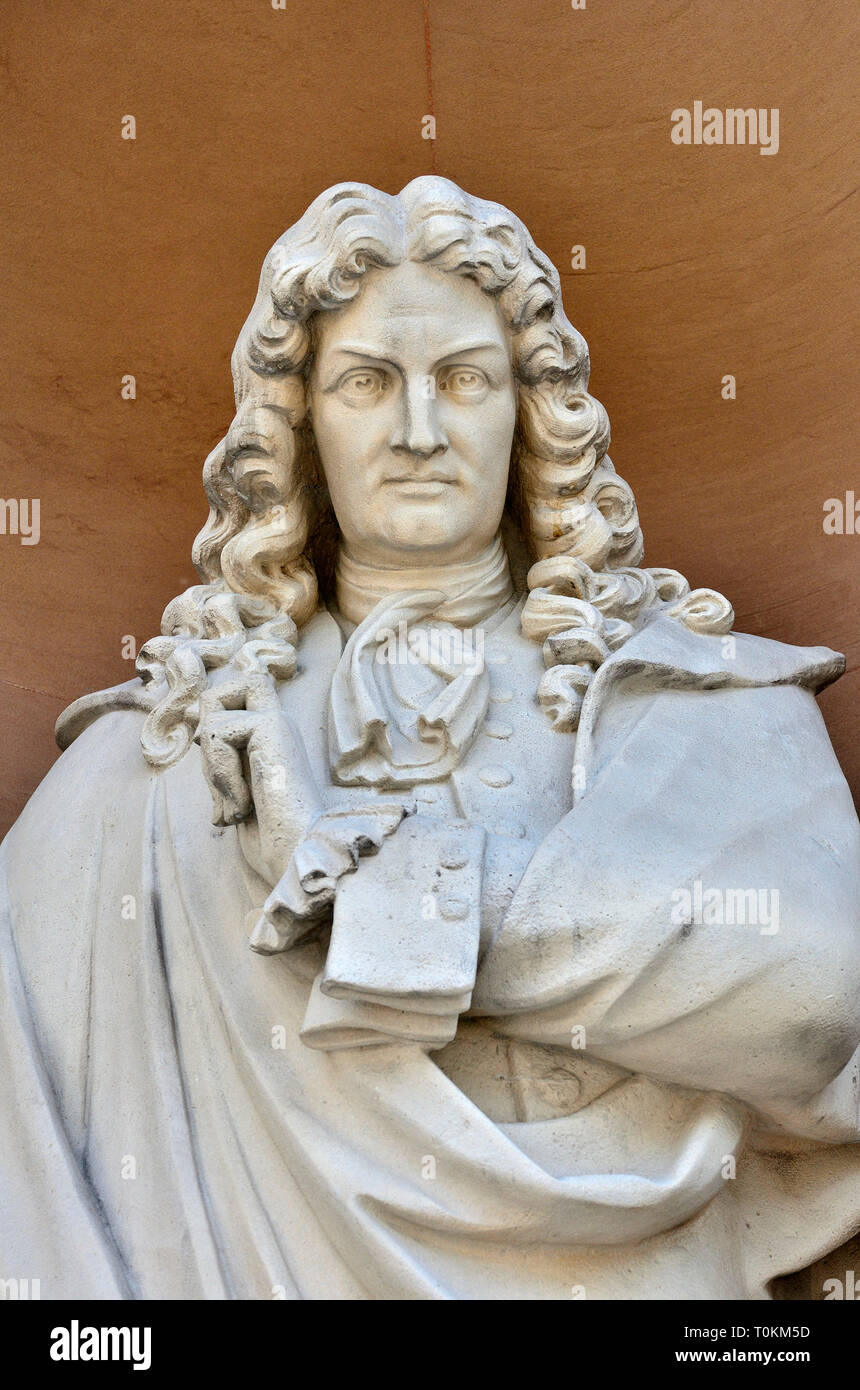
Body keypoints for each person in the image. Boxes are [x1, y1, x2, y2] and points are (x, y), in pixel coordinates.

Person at [2, 177, 858, 1299]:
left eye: (462, 379)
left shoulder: (701, 696)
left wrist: (387, 903)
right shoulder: (154, 768)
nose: (417, 430)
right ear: (300, 423)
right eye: (367, 382)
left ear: (529, 409)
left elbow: (817, 1003)